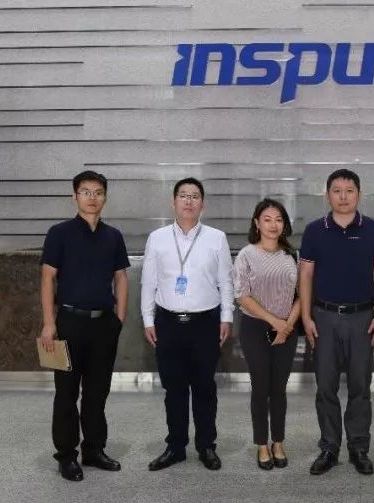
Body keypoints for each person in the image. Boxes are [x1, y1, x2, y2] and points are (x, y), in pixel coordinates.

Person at [39, 170, 129, 482]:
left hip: (104, 324)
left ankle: (94, 449)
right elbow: (48, 278)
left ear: (105, 197)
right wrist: (49, 323)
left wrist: (119, 317)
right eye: (86, 192)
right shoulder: (59, 233)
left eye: (98, 192)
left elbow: (121, 277)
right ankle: (66, 456)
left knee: (97, 392)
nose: (92, 198)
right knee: (66, 393)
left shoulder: (113, 236)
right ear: (74, 196)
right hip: (69, 323)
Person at [299, 169, 374, 476]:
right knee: (325, 386)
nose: (343, 196)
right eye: (336, 190)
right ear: (327, 195)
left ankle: (359, 447)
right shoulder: (314, 231)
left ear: (358, 194)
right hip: (324, 317)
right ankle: (329, 447)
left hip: (362, 318)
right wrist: (306, 317)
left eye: (349, 190)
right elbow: (306, 275)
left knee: (360, 385)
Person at [141, 177, 233, 472]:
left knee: (205, 388)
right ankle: (176, 446)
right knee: (174, 389)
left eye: (195, 196)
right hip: (168, 322)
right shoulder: (157, 238)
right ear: (174, 202)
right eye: (183, 195)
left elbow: (225, 281)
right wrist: (148, 319)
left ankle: (206, 445)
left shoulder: (216, 238)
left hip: (205, 322)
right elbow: (148, 282)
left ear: (202, 204)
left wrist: (227, 317)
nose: (189, 201)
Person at [233, 198, 301, 470]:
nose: (274, 225)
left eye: (279, 220)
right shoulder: (246, 254)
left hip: (287, 328)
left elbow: (302, 294)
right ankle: (262, 444)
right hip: (255, 328)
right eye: (268, 219)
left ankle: (278, 442)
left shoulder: (291, 255)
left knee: (279, 389)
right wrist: (275, 322)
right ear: (257, 223)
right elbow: (242, 296)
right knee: (261, 388)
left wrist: (287, 325)